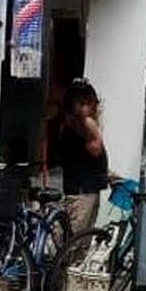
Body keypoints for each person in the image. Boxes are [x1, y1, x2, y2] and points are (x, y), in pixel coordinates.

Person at [52, 78, 109, 232]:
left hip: (88, 190)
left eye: (90, 102)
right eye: (82, 103)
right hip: (81, 192)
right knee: (73, 241)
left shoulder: (79, 125)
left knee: (82, 240)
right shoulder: (80, 125)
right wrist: (92, 124)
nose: (89, 107)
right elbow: (95, 149)